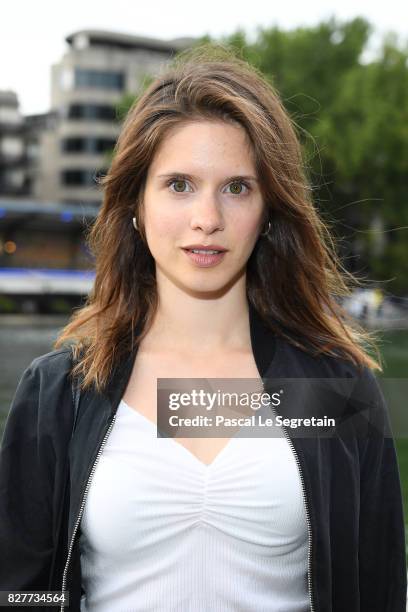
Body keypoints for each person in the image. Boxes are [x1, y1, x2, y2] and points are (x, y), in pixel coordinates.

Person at [0, 44, 406, 612]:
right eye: (179, 185)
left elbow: (379, 589)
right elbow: (22, 593)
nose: (207, 219)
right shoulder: (60, 393)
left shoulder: (338, 390)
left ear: (269, 210)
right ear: (136, 204)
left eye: (237, 187)